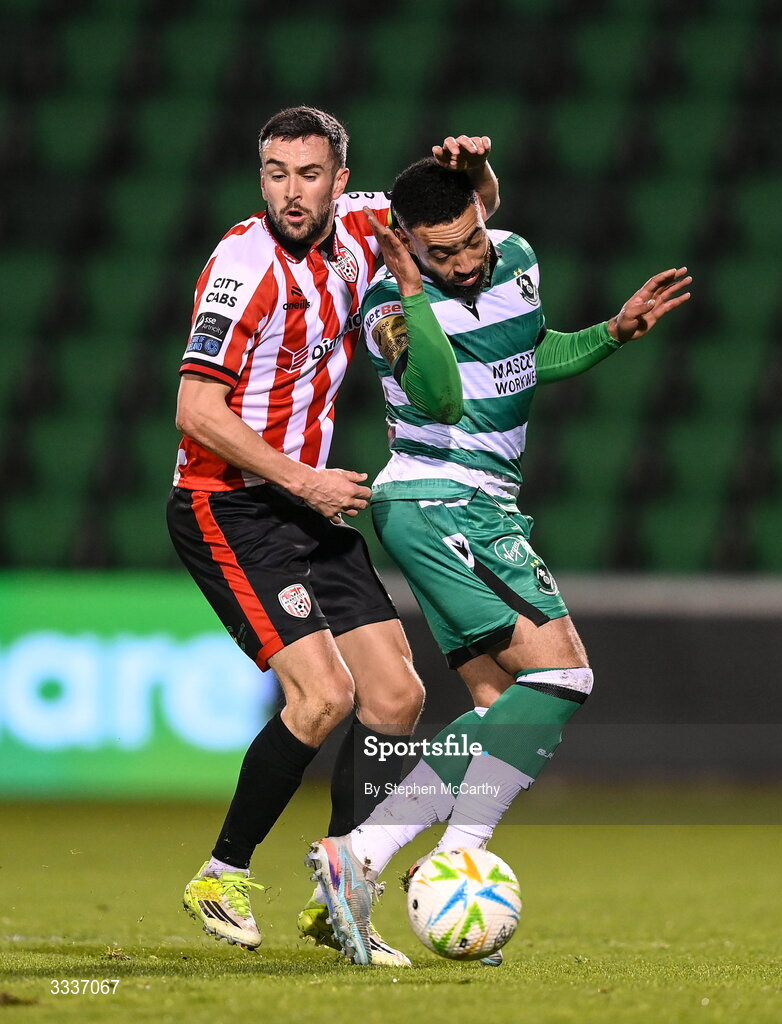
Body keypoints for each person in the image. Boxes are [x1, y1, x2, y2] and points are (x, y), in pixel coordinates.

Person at [306, 158, 691, 965]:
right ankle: (369, 854)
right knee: (563, 675)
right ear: (406, 246)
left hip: (478, 504)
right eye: (441, 253)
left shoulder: (515, 256)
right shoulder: (389, 309)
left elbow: (525, 358)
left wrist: (610, 337)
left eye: (471, 240)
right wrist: (413, 288)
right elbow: (443, 399)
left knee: (493, 708)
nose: (466, 261)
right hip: (441, 501)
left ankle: (410, 858)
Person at [166, 107, 500, 966]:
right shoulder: (243, 269)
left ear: (340, 179)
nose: (291, 192)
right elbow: (196, 411)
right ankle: (223, 872)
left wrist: (472, 176)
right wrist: (302, 477)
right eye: (276, 173)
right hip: (231, 506)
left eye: (308, 174)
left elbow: (462, 230)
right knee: (322, 698)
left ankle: (342, 890)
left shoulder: (361, 226)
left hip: (310, 506)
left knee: (397, 699)